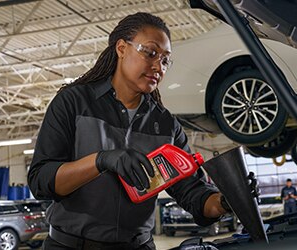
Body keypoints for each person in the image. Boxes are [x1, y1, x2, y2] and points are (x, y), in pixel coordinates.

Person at [28, 12, 229, 250]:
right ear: (122, 48)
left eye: (165, 60)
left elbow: (192, 192)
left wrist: (224, 201)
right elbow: (41, 180)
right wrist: (101, 161)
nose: (158, 66)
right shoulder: (73, 103)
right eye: (150, 53)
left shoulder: (167, 126)